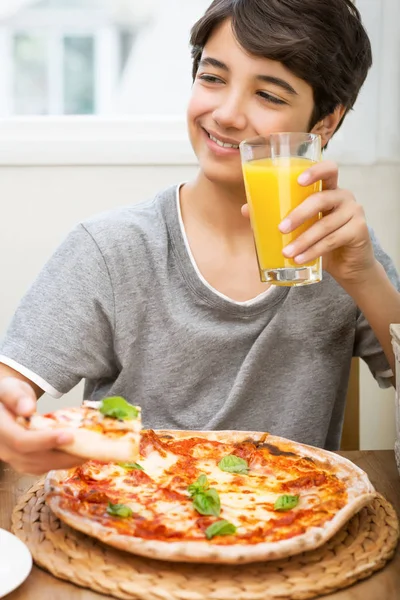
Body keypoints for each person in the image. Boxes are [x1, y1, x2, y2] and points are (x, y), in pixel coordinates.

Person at [0, 0, 399, 475]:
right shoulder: (112, 249)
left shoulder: (342, 251)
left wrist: (363, 277)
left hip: (286, 525)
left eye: (269, 95)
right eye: (213, 78)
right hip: (137, 520)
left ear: (326, 121)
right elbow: (8, 392)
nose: (227, 114)